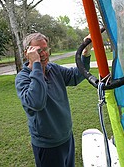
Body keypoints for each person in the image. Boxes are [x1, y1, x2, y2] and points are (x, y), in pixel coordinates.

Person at [15, 32, 92, 167]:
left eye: (45, 49)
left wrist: (86, 52)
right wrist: (37, 65)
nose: (44, 54)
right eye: (38, 51)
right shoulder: (23, 78)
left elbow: (76, 76)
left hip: (66, 138)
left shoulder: (53, 69)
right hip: (47, 146)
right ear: (27, 52)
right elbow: (37, 102)